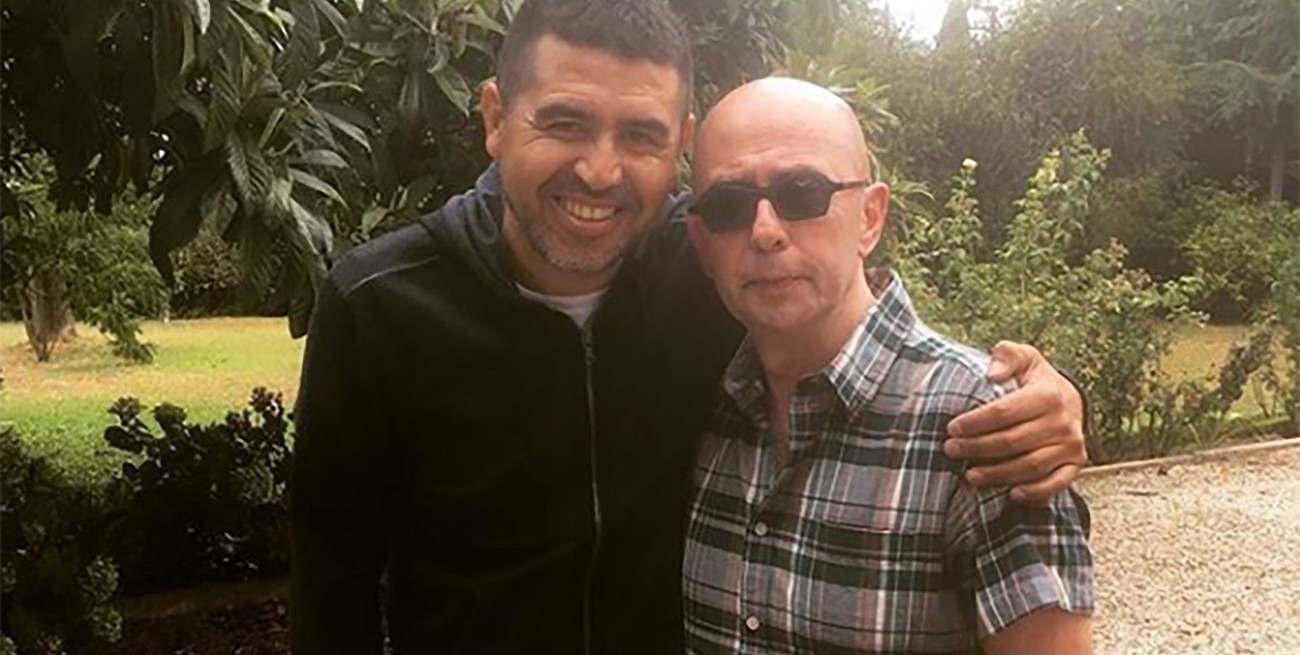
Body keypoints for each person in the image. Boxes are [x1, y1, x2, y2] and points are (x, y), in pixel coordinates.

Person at [289, 1, 1089, 653]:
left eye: (640, 135)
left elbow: (845, 308)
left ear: (679, 143)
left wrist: (1045, 393)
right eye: (565, 122)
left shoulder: (713, 259)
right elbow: (332, 589)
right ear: (497, 118)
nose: (600, 170)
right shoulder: (380, 305)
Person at [681, 77, 1094, 655]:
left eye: (803, 193)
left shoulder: (987, 432)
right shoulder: (695, 405)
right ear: (701, 243)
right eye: (729, 205)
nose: (766, 231)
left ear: (870, 218)